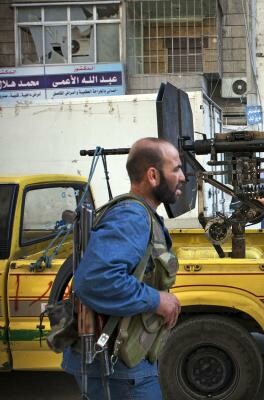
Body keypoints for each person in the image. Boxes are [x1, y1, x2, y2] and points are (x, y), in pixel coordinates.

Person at [62, 137, 186, 399]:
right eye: (175, 168)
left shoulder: (139, 214)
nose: (183, 176)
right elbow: (96, 279)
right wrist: (156, 299)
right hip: (118, 370)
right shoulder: (132, 217)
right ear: (153, 175)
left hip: (122, 363)